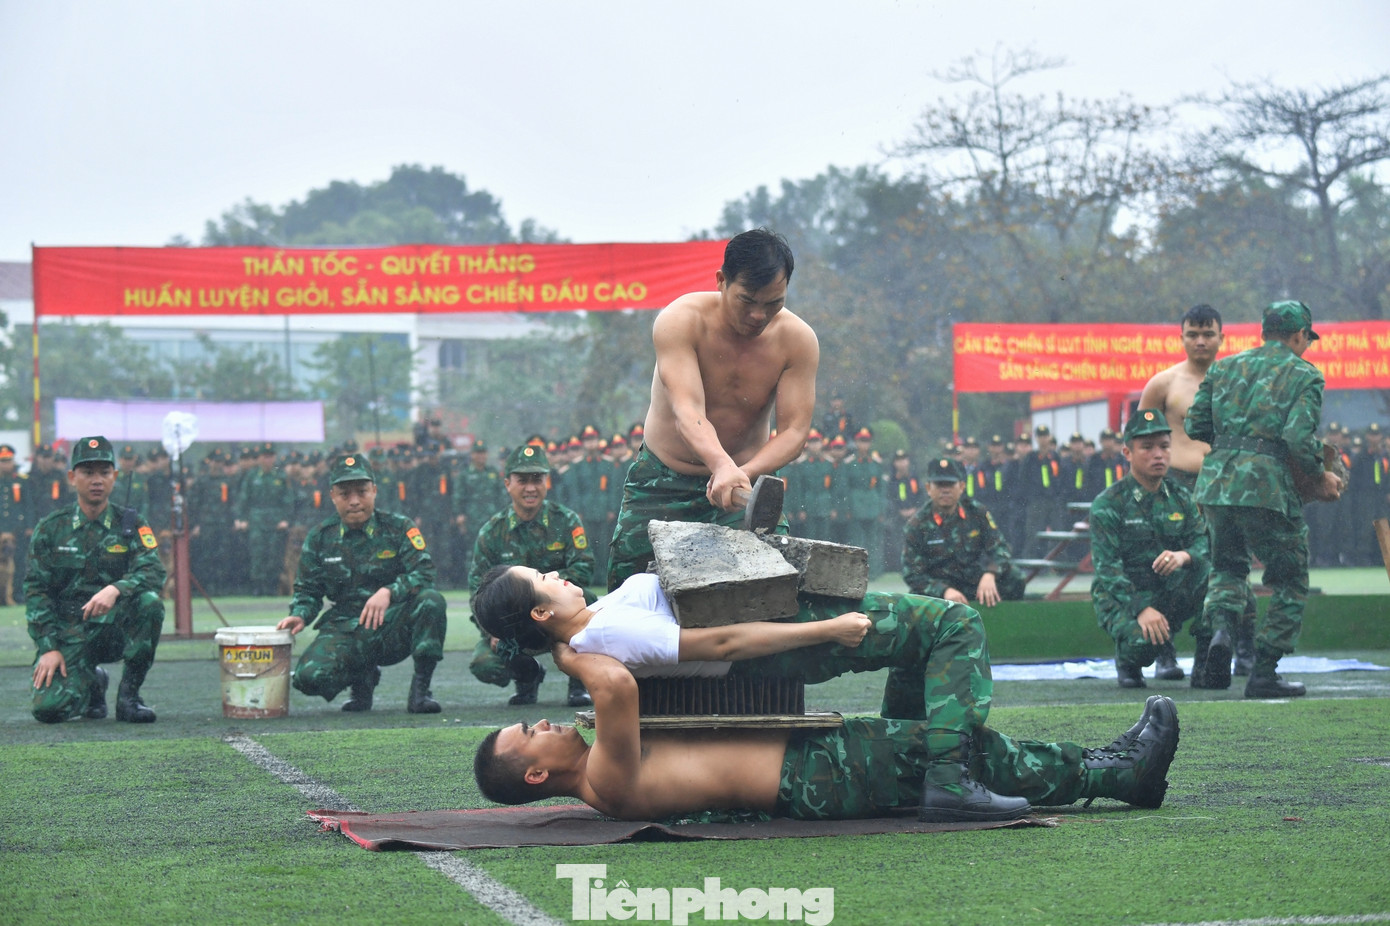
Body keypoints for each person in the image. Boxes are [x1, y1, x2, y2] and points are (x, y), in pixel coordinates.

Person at [473, 636, 1180, 823]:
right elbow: (616, 683)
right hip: (815, 776)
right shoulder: (605, 778)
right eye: (529, 734)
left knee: (930, 722)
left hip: (810, 765)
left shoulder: (602, 776)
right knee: (963, 749)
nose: (541, 722)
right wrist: (563, 644)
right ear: (537, 773)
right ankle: (1113, 774)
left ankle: (1100, 767)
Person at [606, 228, 819, 590]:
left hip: (743, 493)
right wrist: (721, 465)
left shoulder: (797, 341)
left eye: (773, 303)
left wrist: (741, 473)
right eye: (747, 300)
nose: (758, 315)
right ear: (721, 281)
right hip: (662, 483)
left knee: (778, 593)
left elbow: (795, 432)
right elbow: (687, 409)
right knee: (629, 599)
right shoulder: (681, 320)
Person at [1185, 300, 1342, 698]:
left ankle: (1221, 629)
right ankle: (1265, 670)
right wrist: (1318, 473)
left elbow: (1195, 424)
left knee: (1226, 568)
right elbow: (1296, 437)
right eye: (1307, 339)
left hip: (1217, 485)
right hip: (1266, 488)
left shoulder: (1225, 367)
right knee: (1289, 578)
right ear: (1299, 335)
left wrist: (1231, 450)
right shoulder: (1304, 374)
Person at [276, 453, 447, 713]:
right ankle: (362, 678)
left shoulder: (398, 528)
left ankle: (421, 691)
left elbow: (424, 572)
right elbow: (308, 590)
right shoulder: (321, 537)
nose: (355, 501)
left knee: (431, 601)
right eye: (345, 494)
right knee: (308, 679)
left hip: (392, 626)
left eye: (362, 492)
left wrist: (389, 591)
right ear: (332, 495)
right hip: (347, 628)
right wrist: (299, 615)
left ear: (374, 491)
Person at [1138, 303, 1255, 678]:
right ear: (1182, 337)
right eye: (1193, 334)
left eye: (1208, 334)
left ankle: (1244, 648)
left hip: (1226, 485)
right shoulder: (1163, 384)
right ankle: (1165, 653)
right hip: (1175, 484)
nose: (1201, 341)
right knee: (1167, 565)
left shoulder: (1240, 382)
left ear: (1223, 337)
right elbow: (1141, 440)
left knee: (1232, 562)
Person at [26, 436, 165, 723]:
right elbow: (36, 591)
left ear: (114, 477)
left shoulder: (131, 524)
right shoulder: (51, 529)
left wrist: (115, 589)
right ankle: (93, 684)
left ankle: (129, 697)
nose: (96, 480)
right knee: (49, 711)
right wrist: (49, 647)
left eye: (104, 472)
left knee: (150, 603)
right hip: (69, 633)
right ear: (71, 477)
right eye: (88, 472)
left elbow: (153, 571)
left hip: (115, 629)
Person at [1089, 410, 1210, 689]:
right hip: (1126, 597)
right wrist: (1141, 608)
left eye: (1164, 447)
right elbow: (1108, 570)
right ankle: (1130, 658)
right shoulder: (1109, 504)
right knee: (1141, 645)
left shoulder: (1181, 498)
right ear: (1127, 453)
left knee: (1217, 581)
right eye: (1147, 448)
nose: (1158, 455)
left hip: (1170, 589)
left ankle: (1205, 664)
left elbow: (1202, 544)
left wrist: (1184, 556)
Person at [470, 444, 594, 707]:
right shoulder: (492, 531)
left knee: (590, 599)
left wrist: (545, 594)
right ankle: (527, 678)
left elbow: (583, 567)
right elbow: (477, 588)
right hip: (515, 625)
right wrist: (491, 630)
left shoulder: (566, 521)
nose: (530, 487)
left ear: (546, 481)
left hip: (559, 615)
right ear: (507, 484)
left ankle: (580, 683)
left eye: (537, 479)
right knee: (484, 664)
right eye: (522, 480)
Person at [901, 456, 1027, 607]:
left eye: (950, 484)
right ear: (928, 488)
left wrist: (990, 573)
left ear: (961, 487)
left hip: (972, 583)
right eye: (940, 485)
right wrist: (944, 591)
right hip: (938, 589)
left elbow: (1000, 549)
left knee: (1014, 578)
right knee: (915, 597)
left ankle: (1002, 620)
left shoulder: (977, 513)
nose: (945, 490)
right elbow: (912, 573)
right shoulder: (917, 524)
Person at [233, 443, 293, 596]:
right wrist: (241, 518)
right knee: (257, 554)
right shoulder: (252, 475)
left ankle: (272, 586)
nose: (268, 460)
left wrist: (285, 519)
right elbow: (244, 499)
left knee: (274, 554)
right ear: (259, 458)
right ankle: (258, 586)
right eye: (264, 456)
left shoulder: (280, 474)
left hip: (275, 520)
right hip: (256, 519)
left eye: (270, 456)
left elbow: (288, 499)